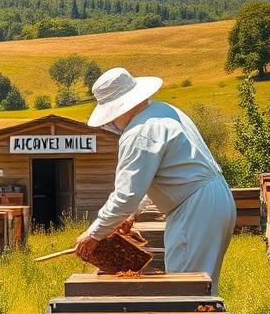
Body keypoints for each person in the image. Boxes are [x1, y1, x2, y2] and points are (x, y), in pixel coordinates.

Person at [74, 67, 235, 291]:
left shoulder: (139, 132)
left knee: (187, 291)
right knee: (203, 286)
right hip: (213, 199)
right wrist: (132, 213)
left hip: (194, 207)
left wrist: (93, 234)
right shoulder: (164, 111)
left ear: (118, 108)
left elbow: (125, 195)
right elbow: (153, 178)